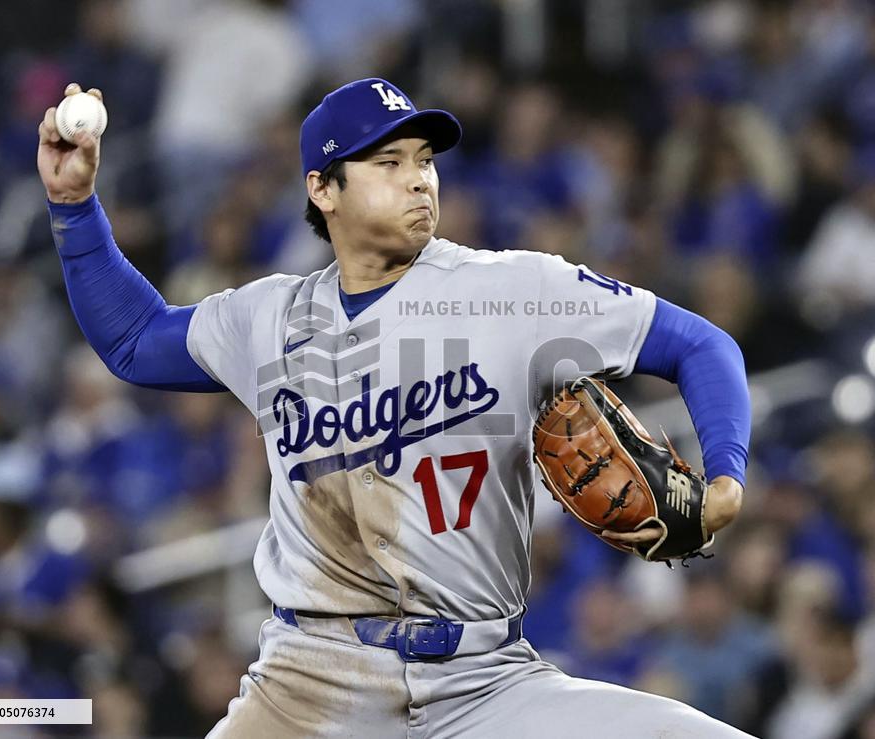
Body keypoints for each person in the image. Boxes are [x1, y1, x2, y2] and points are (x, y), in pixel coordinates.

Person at [38, 78, 751, 738]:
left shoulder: (515, 291)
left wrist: (726, 474)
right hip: (309, 680)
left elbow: (701, 344)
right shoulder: (269, 319)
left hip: (484, 681)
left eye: (424, 160)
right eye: (388, 162)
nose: (418, 178)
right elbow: (134, 339)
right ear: (323, 188)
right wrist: (74, 208)